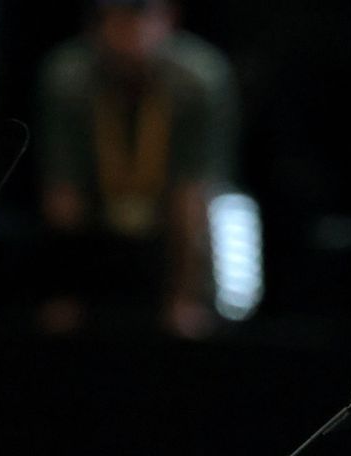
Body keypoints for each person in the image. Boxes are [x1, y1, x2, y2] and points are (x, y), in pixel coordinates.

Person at [36, 0, 237, 337]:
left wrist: (183, 297)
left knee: (194, 212)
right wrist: (65, 290)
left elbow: (194, 193)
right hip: (96, 228)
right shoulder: (68, 79)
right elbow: (62, 189)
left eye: (142, 20)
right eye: (119, 22)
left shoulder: (199, 81)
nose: (131, 37)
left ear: (169, 20)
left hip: (169, 231)